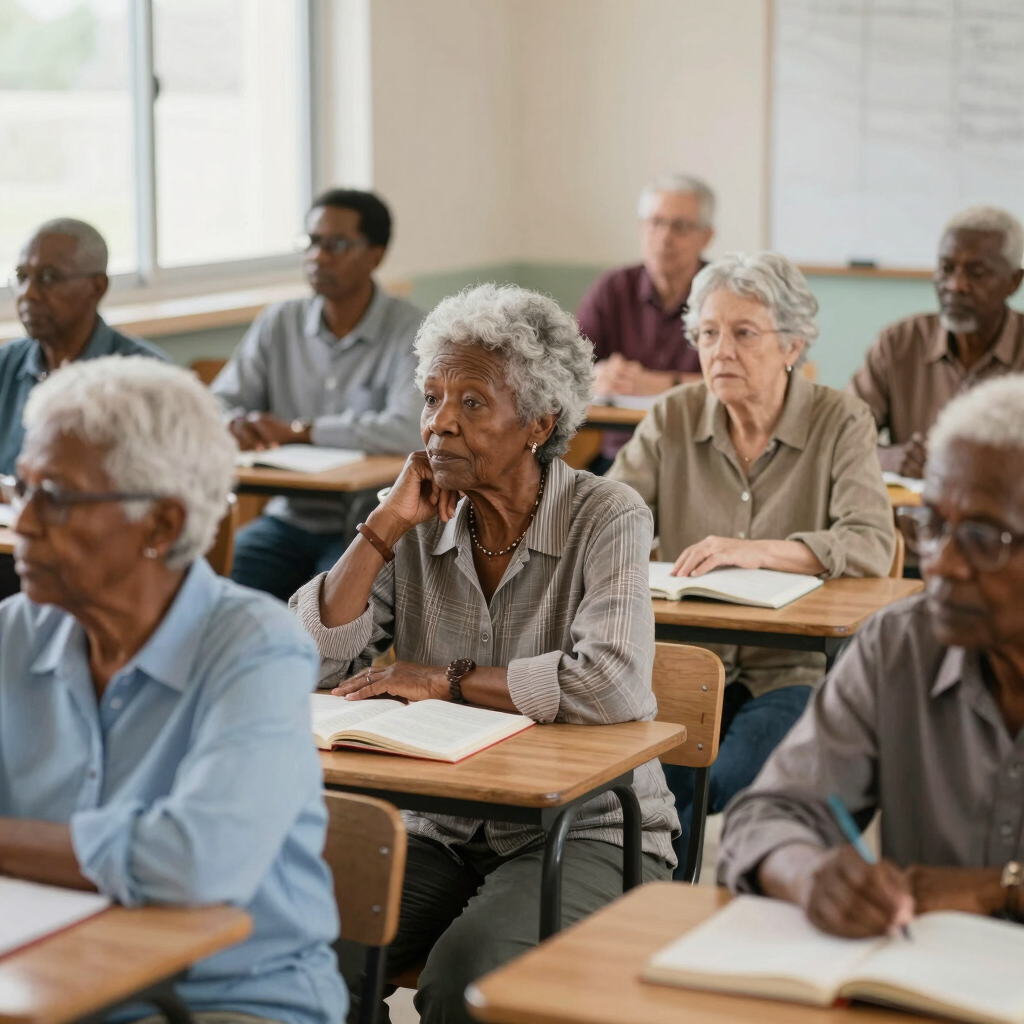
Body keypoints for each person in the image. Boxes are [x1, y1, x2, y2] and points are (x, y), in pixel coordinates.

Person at [290, 283, 678, 1024]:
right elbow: (303, 666)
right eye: (432, 397)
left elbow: (616, 685)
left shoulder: (607, 515)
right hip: (440, 822)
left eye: (471, 403)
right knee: (312, 954)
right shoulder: (413, 520)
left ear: (540, 421)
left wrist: (444, 680)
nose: (439, 423)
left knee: (464, 985)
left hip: (585, 826)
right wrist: (382, 527)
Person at [0, 357, 346, 1024]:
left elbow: (196, 860)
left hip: (231, 997)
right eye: (23, 487)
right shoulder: (14, 634)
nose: (27, 521)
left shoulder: (256, 646)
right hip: (54, 978)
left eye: (59, 497)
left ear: (160, 525)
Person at [607, 252, 895, 880]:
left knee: (729, 780)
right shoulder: (674, 415)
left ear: (792, 344)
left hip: (790, 667)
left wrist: (756, 551)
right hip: (682, 658)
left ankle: (709, 911)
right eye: (708, 333)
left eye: (744, 333)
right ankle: (651, 918)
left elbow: (871, 540)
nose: (721, 351)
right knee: (654, 781)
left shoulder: (840, 419)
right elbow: (608, 518)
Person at [719, 374, 1024, 935]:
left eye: (985, 537)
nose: (942, 564)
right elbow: (766, 816)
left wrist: (996, 889)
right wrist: (810, 873)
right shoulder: (900, 645)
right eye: (932, 525)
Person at [212, 188, 424, 602]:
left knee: (329, 614)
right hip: (287, 519)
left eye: (337, 245)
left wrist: (300, 431)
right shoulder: (279, 323)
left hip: (369, 523)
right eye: (311, 242)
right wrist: (233, 422)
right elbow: (214, 402)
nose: (318, 256)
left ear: (376, 255)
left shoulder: (412, 330)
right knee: (221, 597)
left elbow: (409, 429)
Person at [849, 206, 1024, 479]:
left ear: (1013, 282)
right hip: (913, 516)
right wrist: (889, 458)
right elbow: (841, 436)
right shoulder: (900, 343)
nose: (955, 285)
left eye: (976, 273)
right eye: (946, 268)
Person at [0, 217, 167, 476]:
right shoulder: (7, 363)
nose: (28, 293)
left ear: (96, 287)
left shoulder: (144, 377)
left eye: (48, 277)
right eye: (22, 276)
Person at [576, 173, 715, 471]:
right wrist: (598, 374)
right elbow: (563, 364)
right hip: (622, 455)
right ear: (641, 229)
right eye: (655, 223)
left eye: (680, 226)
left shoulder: (723, 293)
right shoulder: (613, 288)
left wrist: (663, 384)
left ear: (706, 236)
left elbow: (744, 383)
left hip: (699, 458)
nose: (664, 237)